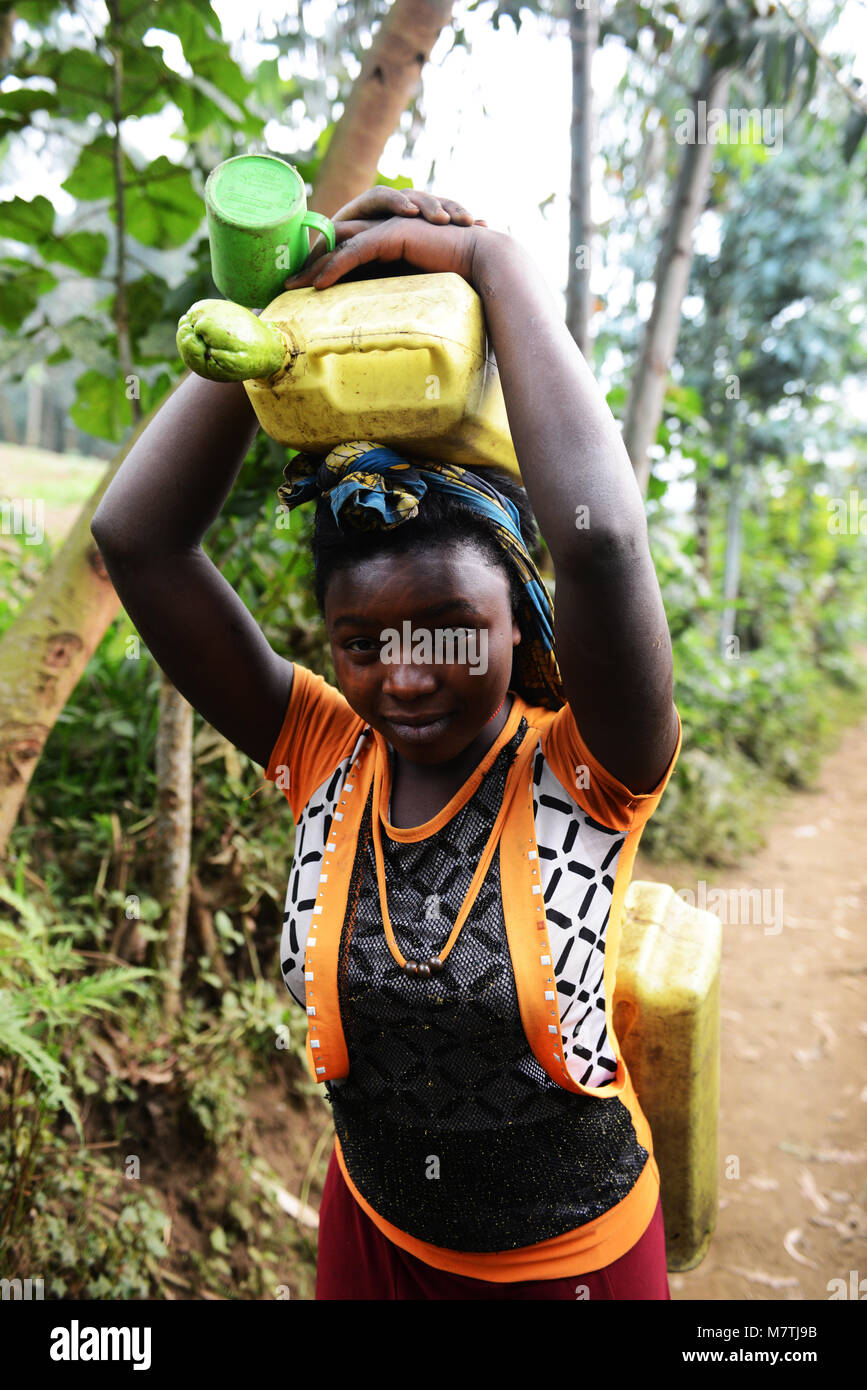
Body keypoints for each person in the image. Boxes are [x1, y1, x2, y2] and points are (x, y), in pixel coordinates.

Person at [90, 185, 682, 1301]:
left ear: (523, 616)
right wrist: (281, 318)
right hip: (368, 1239)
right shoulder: (324, 750)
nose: (402, 675)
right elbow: (139, 540)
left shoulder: (586, 769)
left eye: (449, 630)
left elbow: (600, 540)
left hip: (571, 1274)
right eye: (360, 641)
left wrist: (488, 260)